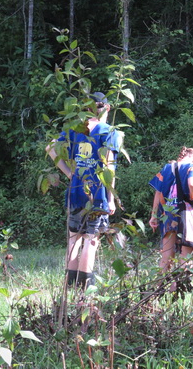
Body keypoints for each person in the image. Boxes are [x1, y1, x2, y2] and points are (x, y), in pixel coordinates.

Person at [46, 92, 122, 289]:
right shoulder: (109, 131)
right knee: (91, 238)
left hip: (76, 191)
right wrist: (111, 198)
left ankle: (69, 286)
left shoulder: (75, 129)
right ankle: (86, 287)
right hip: (97, 193)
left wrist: (70, 173)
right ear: (107, 108)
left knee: (73, 239)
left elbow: (51, 147)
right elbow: (110, 166)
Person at [148, 147, 193, 285]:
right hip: (186, 215)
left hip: (168, 216)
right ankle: (179, 293)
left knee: (166, 258)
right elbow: (191, 184)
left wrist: (154, 215)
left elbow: (157, 192)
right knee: (185, 258)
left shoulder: (167, 168)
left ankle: (158, 291)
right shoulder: (192, 167)